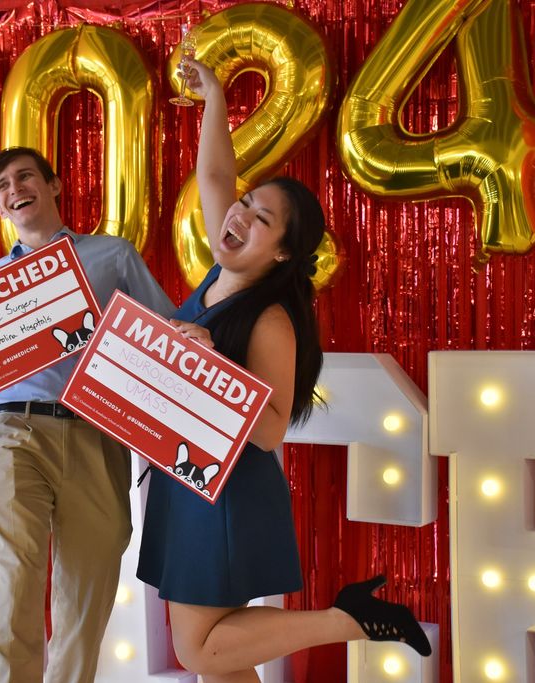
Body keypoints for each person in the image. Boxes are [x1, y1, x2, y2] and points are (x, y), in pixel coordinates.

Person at [136, 61, 432, 681]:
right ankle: (350, 617)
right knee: (223, 663)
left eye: (259, 218)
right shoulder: (220, 273)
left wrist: (210, 363)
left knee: (201, 650)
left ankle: (349, 619)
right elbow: (215, 172)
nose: (238, 215)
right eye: (243, 204)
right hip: (185, 478)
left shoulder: (270, 319)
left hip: (224, 494)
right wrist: (214, 94)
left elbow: (270, 432)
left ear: (283, 252)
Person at [0, 147, 209, 682]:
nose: (14, 190)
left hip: (96, 436)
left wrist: (191, 339)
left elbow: (163, 334)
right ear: (1, 207)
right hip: (16, 432)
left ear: (54, 186)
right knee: (15, 581)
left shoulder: (112, 256)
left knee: (87, 594)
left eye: (24, 177)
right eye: (2, 187)